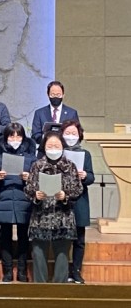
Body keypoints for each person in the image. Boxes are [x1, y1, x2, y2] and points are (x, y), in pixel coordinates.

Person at [24, 131, 83, 283]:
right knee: (38, 255)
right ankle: (40, 290)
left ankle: (59, 290)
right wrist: (36, 196)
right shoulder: (37, 166)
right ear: (44, 147)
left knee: (62, 256)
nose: (53, 149)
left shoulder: (70, 166)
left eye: (56, 146)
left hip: (63, 218)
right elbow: (28, 189)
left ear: (62, 146)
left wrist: (65, 196)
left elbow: (78, 189)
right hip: (40, 217)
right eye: (50, 146)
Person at [0, 122, 36, 282]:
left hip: (24, 199)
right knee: (5, 237)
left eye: (18, 136)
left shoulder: (31, 158)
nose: (15, 139)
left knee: (24, 237)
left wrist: (29, 178)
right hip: (4, 199)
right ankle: (7, 271)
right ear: (5, 137)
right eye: (11, 136)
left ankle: (22, 271)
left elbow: (37, 180)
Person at [61, 120, 95, 284]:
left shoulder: (85, 154)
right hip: (62, 200)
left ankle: (76, 271)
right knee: (63, 238)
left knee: (79, 239)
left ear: (79, 135)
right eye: (67, 133)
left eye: (74, 133)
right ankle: (63, 271)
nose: (71, 136)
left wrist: (85, 176)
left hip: (80, 200)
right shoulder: (58, 153)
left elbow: (91, 177)